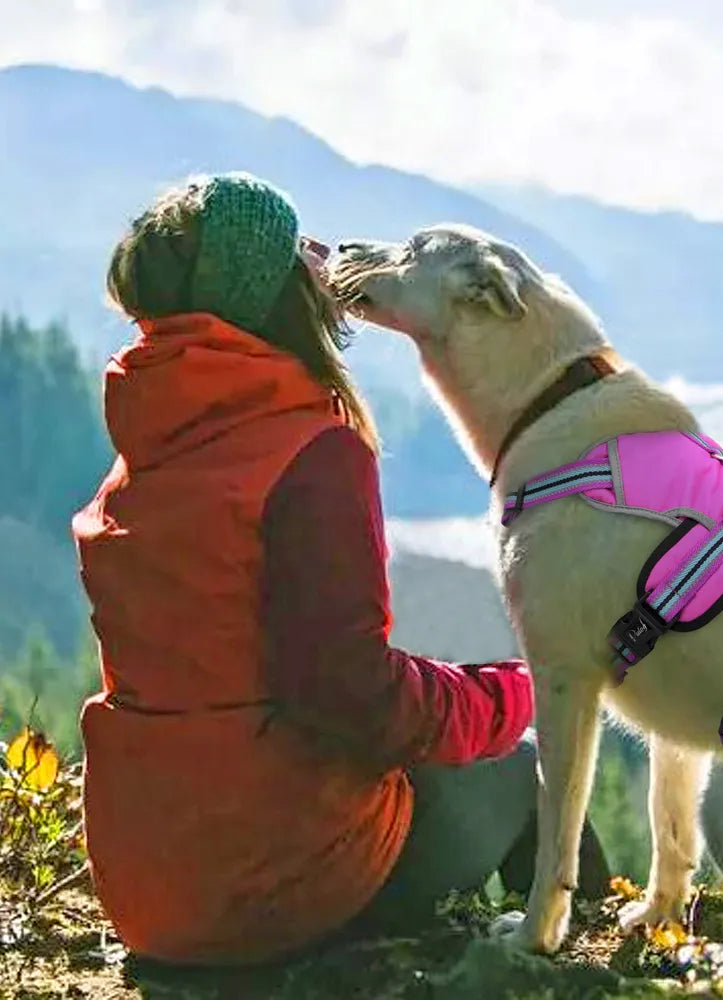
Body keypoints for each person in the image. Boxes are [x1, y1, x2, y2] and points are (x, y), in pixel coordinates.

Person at [71, 172, 610, 967]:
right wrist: (508, 694)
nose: (323, 258)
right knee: (520, 759)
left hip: (149, 890)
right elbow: (347, 688)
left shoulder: (150, 446)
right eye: (297, 248)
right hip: (269, 887)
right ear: (270, 293)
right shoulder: (307, 450)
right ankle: (592, 962)